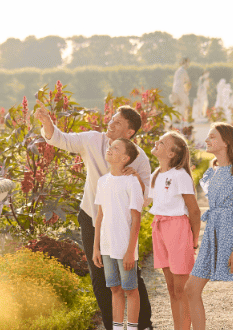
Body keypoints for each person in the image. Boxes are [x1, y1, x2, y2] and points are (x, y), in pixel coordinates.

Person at [35, 105, 155, 330]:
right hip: (92, 216)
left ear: (130, 133)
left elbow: (146, 196)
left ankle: (143, 325)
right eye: (112, 118)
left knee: (131, 274)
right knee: (99, 278)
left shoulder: (139, 158)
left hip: (121, 224)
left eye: (118, 123)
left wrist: (136, 177)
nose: (111, 123)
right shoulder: (92, 140)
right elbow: (61, 139)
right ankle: (113, 326)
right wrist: (46, 122)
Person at [186, 123, 233, 330]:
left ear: (226, 142)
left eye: (212, 137)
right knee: (192, 289)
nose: (207, 140)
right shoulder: (212, 171)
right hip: (212, 233)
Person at [149, 131, 201, 330]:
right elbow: (147, 199)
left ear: (171, 154)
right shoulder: (156, 174)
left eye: (161, 142)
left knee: (182, 289)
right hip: (159, 228)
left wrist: (193, 240)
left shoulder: (180, 176)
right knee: (171, 289)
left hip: (177, 229)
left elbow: (194, 211)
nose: (156, 142)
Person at [93, 138, 145, 330]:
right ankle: (116, 328)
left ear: (125, 157)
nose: (110, 149)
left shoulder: (131, 182)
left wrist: (131, 251)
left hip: (125, 247)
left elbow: (136, 219)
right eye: (110, 146)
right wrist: (96, 247)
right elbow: (100, 217)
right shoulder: (102, 181)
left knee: (130, 289)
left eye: (116, 148)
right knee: (114, 288)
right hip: (107, 247)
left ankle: (131, 327)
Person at [170, 58, 192, 124]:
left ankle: (176, 120)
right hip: (180, 89)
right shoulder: (183, 71)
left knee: (178, 105)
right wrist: (187, 90)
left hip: (176, 89)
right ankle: (180, 120)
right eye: (188, 62)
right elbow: (188, 82)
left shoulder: (178, 71)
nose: (188, 64)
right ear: (185, 63)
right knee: (183, 104)